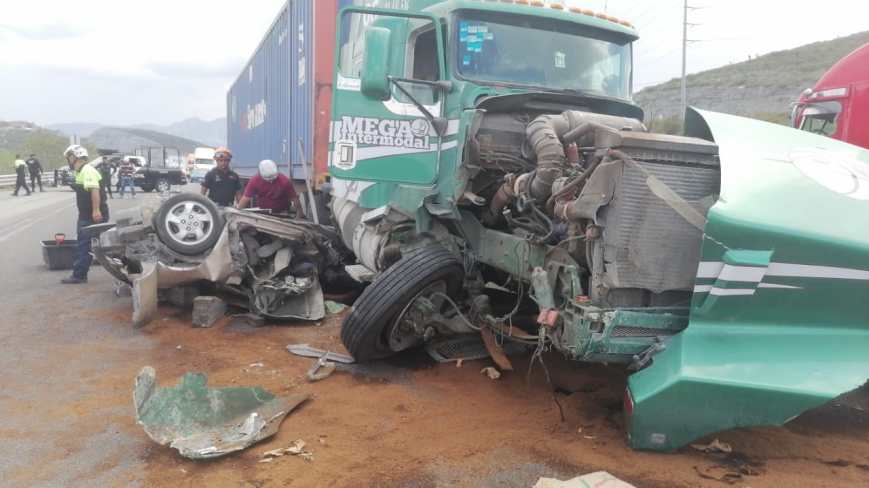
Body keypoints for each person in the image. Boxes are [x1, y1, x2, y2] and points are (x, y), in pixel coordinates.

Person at [61, 144, 109, 285]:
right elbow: (83, 189)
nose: (68, 160)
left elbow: (94, 190)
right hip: (85, 214)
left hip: (91, 215)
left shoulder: (87, 170)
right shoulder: (80, 171)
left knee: (84, 244)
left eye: (69, 157)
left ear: (74, 157)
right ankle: (80, 273)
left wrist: (96, 210)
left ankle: (79, 275)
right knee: (89, 244)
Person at [237, 159, 306, 218]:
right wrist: (237, 213)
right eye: (267, 179)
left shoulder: (284, 181)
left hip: (281, 213)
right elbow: (245, 199)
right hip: (263, 214)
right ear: (259, 173)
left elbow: (294, 198)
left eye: (272, 179)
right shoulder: (254, 181)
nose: (270, 181)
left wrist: (300, 213)